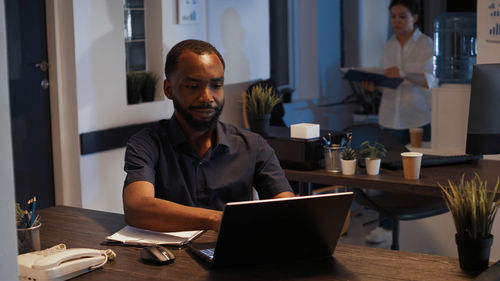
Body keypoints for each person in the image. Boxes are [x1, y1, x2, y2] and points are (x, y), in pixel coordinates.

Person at [122, 39, 295, 233]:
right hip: (170, 259)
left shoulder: (252, 145)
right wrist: (216, 219)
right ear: (169, 90)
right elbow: (136, 207)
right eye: (193, 86)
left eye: (216, 85)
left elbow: (285, 207)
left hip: (232, 257)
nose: (207, 97)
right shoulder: (147, 144)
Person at [363, 0, 437, 244]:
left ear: (415, 17)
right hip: (390, 117)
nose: (397, 21)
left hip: (417, 117)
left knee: (417, 175)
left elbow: (431, 80)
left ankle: (418, 226)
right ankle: (386, 226)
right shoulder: (389, 45)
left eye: (402, 16)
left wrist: (404, 74)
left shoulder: (427, 43)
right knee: (388, 174)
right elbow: (386, 77)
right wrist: (373, 84)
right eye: (393, 16)